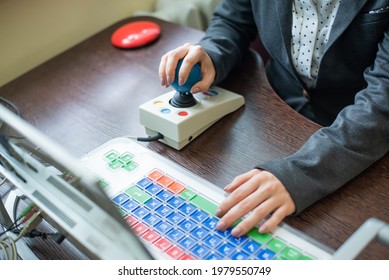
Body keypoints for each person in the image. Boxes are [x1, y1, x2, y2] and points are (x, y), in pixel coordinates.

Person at [158, 0, 389, 238]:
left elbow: (382, 102)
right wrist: (212, 54)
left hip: (355, 132)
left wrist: (299, 175)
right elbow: (233, 21)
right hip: (272, 106)